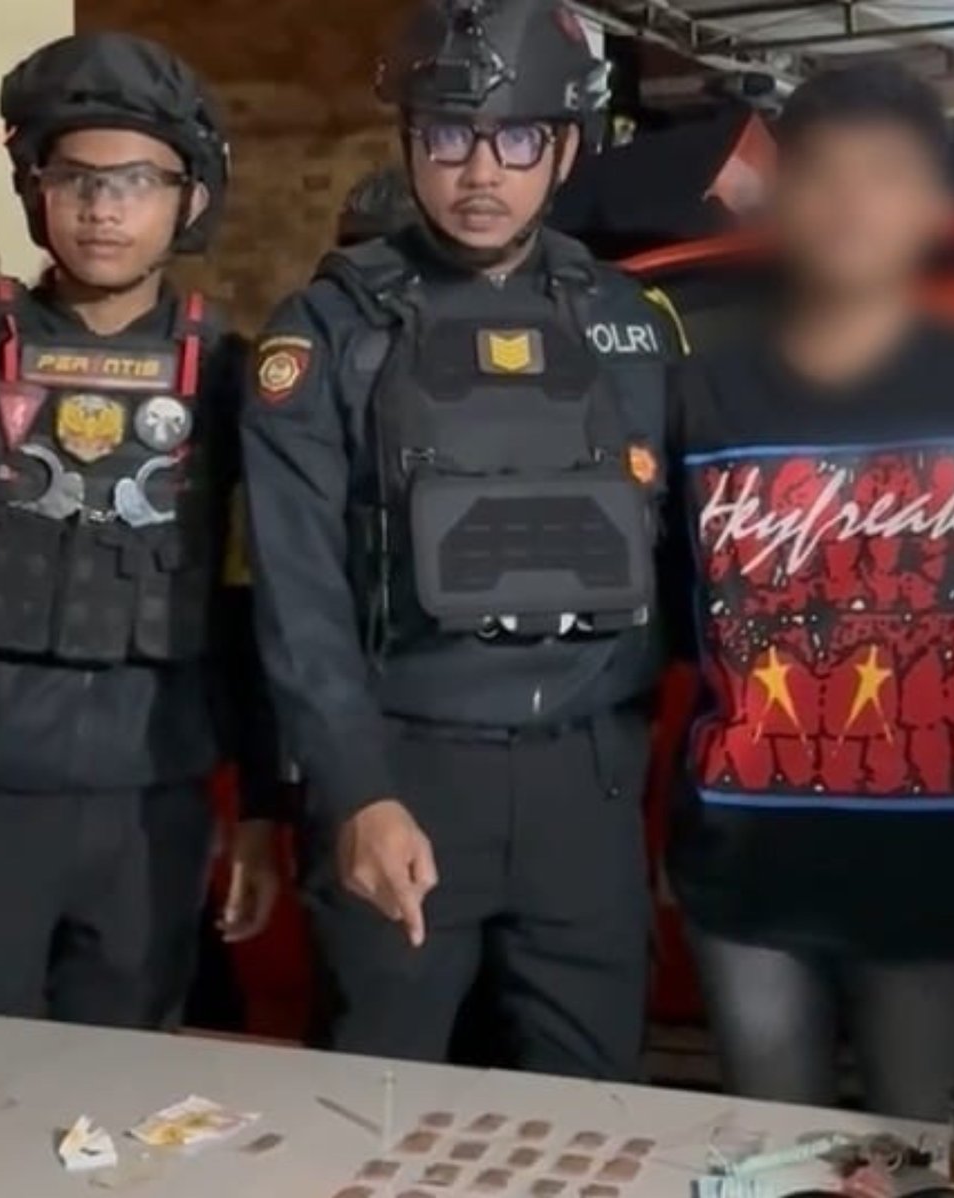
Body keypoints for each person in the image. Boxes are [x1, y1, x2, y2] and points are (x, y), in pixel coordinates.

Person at [242, 0, 680, 1079]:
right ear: (408, 142)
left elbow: (680, 554)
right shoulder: (329, 331)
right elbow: (299, 599)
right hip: (405, 776)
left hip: (587, 784)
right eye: (448, 135)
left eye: (517, 138)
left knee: (590, 1113)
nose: (481, 171)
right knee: (376, 1099)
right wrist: (354, 791)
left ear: (566, 148)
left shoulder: (631, 327)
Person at [666, 62, 954, 1121]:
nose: (853, 203)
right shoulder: (696, 394)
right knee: (770, 1153)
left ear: (929, 202)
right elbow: (683, 622)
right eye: (824, 173)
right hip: (744, 877)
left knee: (934, 1153)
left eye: (886, 173)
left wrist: (912, 709)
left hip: (941, 883)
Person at [0, 31, 280, 1031]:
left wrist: (258, 813)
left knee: (121, 1086)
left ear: (189, 199)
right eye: (76, 177)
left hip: (154, 811)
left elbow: (256, 611)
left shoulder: (233, 379)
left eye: (139, 181)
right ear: (36, 190)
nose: (104, 208)